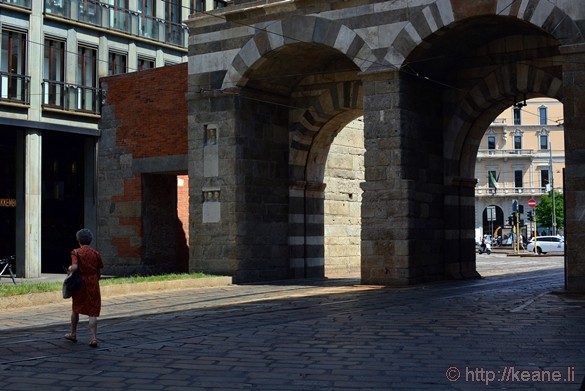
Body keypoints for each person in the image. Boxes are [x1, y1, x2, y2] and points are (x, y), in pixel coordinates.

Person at [64, 228, 104, 348]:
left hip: (80, 283)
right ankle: (93, 338)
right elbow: (99, 270)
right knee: (92, 312)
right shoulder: (96, 253)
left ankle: (73, 333)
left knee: (76, 308)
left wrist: (70, 268)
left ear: (78, 240)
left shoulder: (76, 252)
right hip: (93, 283)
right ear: (90, 240)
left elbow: (75, 267)